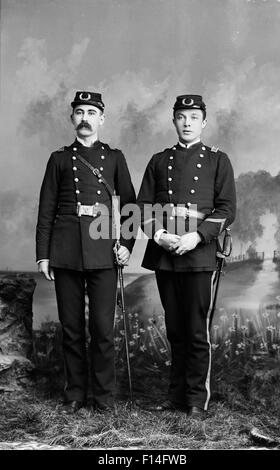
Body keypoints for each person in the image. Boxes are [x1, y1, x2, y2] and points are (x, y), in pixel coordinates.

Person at [36, 91, 136, 413]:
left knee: (103, 331)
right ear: (72, 118)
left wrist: (127, 248)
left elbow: (130, 207)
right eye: (79, 112)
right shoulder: (59, 159)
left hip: (105, 250)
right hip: (66, 251)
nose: (85, 118)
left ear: (101, 119)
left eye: (91, 112)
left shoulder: (115, 158)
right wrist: (43, 254)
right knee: (72, 327)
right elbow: (46, 209)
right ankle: (75, 394)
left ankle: (104, 398)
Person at [137, 95, 236, 418]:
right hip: (166, 254)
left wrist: (196, 236)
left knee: (195, 330)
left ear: (204, 122)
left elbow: (226, 210)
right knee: (175, 328)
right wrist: (161, 236)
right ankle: (176, 394)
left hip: (198, 254)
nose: (188, 123)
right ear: (174, 121)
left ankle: (196, 399)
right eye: (182, 117)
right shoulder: (159, 160)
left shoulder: (218, 160)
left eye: (194, 117)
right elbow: (142, 207)